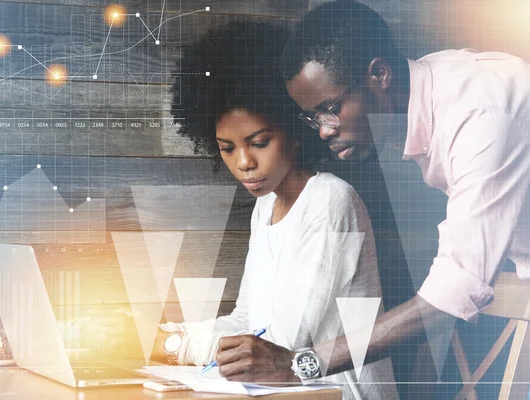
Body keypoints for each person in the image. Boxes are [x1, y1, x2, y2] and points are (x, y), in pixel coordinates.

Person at [213, 0, 530, 390]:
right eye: (313, 117)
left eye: (330, 109)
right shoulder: (432, 89)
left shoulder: (478, 113)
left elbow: (455, 289)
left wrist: (301, 364)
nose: (324, 130)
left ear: (380, 74)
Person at [158, 20, 399, 399]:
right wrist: (172, 341)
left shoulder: (331, 201)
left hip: (340, 392)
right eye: (227, 148)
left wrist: (183, 346)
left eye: (259, 142)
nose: (244, 163)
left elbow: (284, 343)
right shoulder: (266, 206)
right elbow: (248, 321)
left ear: (296, 130)